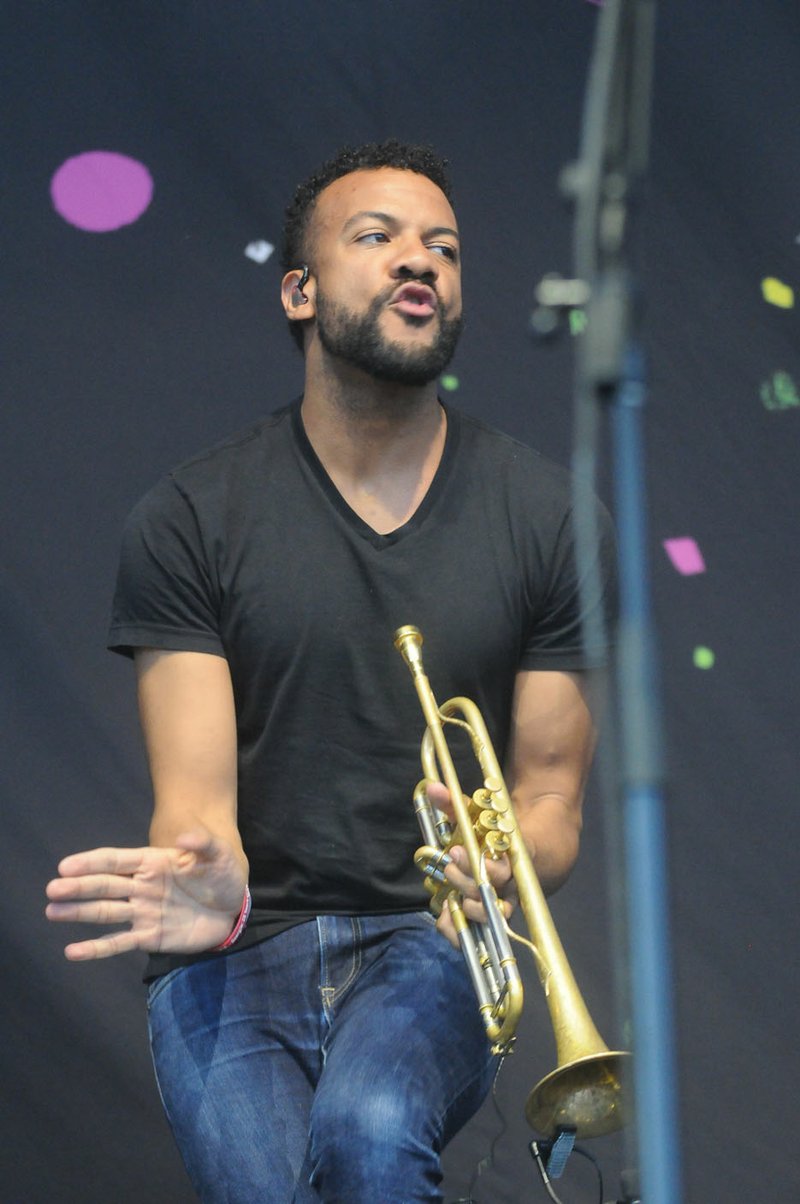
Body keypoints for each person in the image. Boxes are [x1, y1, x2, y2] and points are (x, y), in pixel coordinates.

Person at [45, 140, 616, 1204]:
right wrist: (203, 871)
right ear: (299, 291)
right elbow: (194, 803)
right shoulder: (189, 519)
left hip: (429, 938)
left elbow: (547, 801)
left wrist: (503, 862)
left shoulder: (549, 520)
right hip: (233, 949)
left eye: (441, 248)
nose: (420, 261)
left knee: (368, 1132)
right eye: (378, 237)